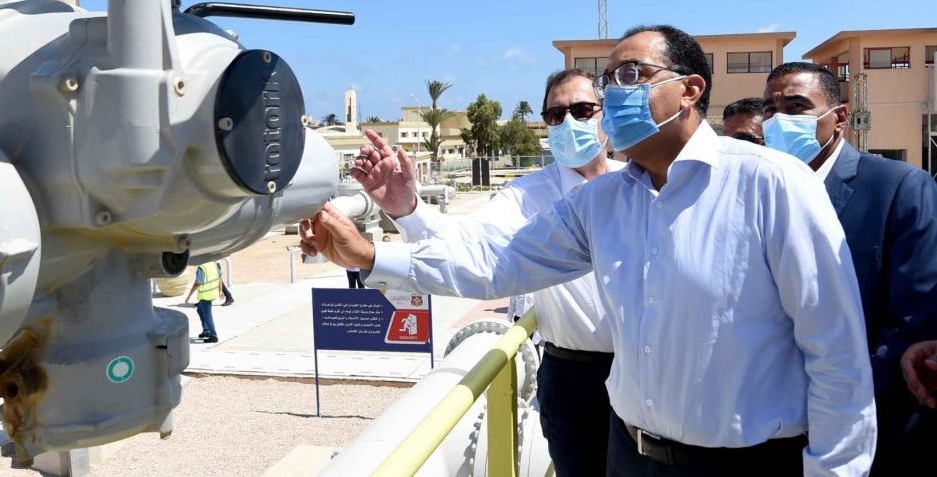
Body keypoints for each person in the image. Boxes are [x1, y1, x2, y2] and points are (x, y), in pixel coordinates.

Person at [302, 25, 876, 476]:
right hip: (629, 455)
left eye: (632, 74)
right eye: (609, 80)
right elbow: (497, 262)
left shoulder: (771, 184)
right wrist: (371, 257)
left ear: (690, 90)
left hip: (745, 464)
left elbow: (835, 351)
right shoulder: (601, 203)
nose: (613, 93)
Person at [348, 69, 623, 476]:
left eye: (582, 110)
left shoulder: (636, 184)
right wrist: (407, 209)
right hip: (576, 379)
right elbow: (469, 242)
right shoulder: (528, 195)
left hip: (647, 370)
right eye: (555, 115)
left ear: (605, 114)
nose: (568, 123)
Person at [763, 61, 937, 474]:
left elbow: (916, 317)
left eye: (796, 106)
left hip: (871, 418)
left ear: (839, 117)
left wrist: (833, 391)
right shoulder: (760, 189)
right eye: (770, 109)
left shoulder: (897, 186)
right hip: (769, 422)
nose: (779, 119)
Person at [183, 261, 223, 343]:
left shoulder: (201, 268)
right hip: (212, 292)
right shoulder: (213, 264)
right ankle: (206, 331)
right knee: (200, 310)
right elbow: (219, 278)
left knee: (207, 315)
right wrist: (220, 291)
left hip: (205, 295)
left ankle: (213, 336)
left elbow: (197, 283)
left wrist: (189, 296)